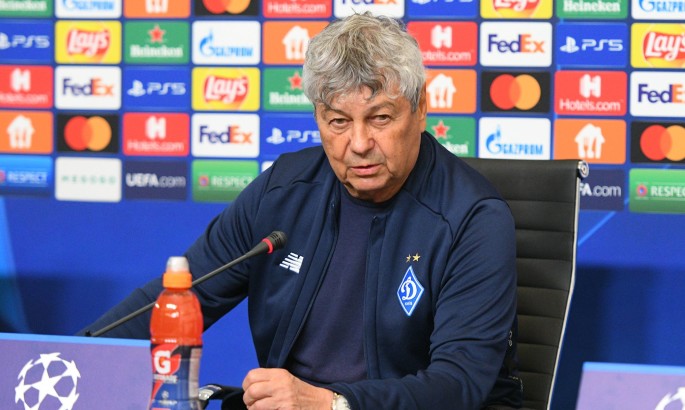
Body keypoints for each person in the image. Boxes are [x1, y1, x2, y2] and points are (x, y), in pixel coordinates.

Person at [81, 12, 522, 410]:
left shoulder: (472, 218)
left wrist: (333, 403)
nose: (360, 144)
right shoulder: (283, 192)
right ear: (318, 118)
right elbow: (183, 295)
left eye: (380, 118)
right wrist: (73, 359)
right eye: (339, 122)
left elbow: (458, 384)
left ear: (421, 108)